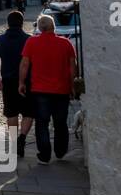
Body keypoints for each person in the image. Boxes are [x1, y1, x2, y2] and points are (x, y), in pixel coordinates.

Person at [18, 14, 79, 163]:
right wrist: (72, 86)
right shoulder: (65, 43)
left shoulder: (32, 42)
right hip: (61, 89)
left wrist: (21, 82)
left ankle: (44, 154)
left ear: (39, 28)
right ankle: (60, 151)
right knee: (60, 122)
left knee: (42, 122)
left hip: (40, 90)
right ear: (53, 27)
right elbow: (73, 67)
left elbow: (24, 64)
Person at [0, 11, 32, 157]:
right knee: (28, 112)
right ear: (22, 23)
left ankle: (15, 141)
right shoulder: (29, 39)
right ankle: (22, 138)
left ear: (8, 23)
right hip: (26, 81)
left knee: (11, 112)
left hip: (8, 81)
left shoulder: (0, 40)